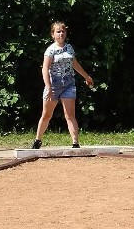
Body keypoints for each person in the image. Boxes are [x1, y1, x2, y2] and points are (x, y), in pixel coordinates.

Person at [32, 21, 93, 149]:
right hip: (53, 85)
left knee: (70, 115)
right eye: (58, 32)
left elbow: (74, 63)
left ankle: (75, 143)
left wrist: (86, 77)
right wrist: (48, 86)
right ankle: (38, 140)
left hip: (68, 84)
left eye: (63, 31)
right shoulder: (50, 50)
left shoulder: (69, 48)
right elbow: (45, 69)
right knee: (47, 114)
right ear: (53, 34)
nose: (61, 34)